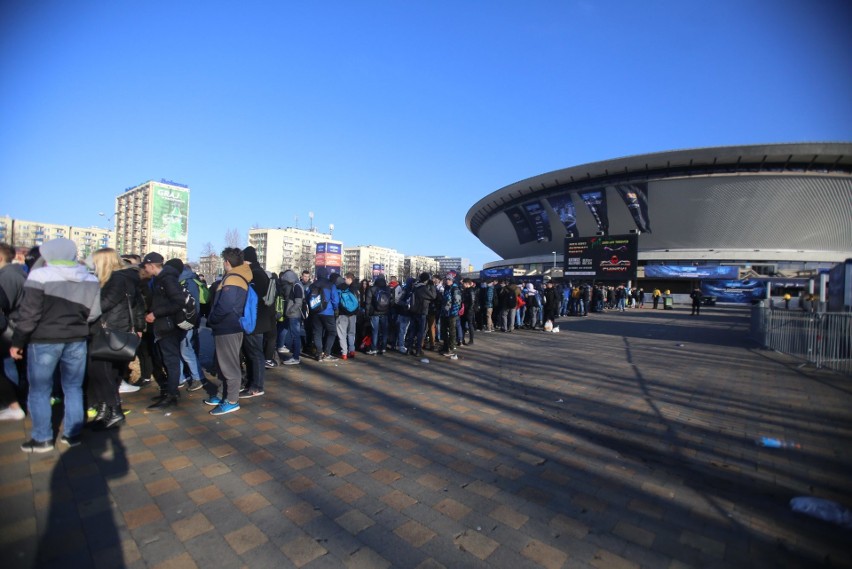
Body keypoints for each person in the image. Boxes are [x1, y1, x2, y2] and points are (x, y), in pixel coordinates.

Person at [10, 238, 100, 451]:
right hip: (77, 338)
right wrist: (76, 323)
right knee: (74, 388)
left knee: (40, 389)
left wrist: (18, 341)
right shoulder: (90, 278)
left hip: (44, 340)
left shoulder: (40, 275)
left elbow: (29, 313)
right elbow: (94, 313)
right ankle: (73, 434)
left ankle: (42, 438)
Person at [87, 248, 145, 429]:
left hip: (110, 332)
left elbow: (103, 304)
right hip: (115, 330)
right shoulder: (124, 278)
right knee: (105, 374)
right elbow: (138, 305)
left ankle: (114, 411)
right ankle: (105, 410)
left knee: (102, 373)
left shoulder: (117, 280)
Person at [205, 248, 253, 415]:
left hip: (227, 326)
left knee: (229, 365)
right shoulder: (237, 277)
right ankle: (221, 394)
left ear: (227, 262)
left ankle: (232, 400)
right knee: (222, 364)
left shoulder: (233, 279)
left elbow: (225, 305)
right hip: (229, 326)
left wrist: (212, 319)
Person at [141, 252, 187, 411]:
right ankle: (170, 391)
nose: (144, 269)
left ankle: (172, 395)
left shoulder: (167, 279)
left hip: (168, 327)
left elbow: (179, 301)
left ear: (152, 265)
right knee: (166, 360)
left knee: (170, 361)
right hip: (163, 326)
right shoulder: (160, 279)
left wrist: (156, 313)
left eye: (145, 266)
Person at [0, 242, 27, 421]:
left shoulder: (7, 277)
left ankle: (13, 402)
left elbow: (3, 305)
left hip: (10, 329)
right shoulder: (18, 273)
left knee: (8, 365)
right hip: (18, 326)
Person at [240, 246, 271, 396]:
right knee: (252, 353)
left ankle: (257, 386)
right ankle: (251, 381)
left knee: (255, 353)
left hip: (255, 321)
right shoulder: (259, 273)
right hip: (257, 320)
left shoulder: (255, 275)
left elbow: (251, 300)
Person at [309, 272, 340, 361]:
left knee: (317, 333)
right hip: (328, 312)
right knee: (332, 332)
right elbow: (335, 300)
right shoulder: (331, 285)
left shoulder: (313, 285)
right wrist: (335, 309)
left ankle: (319, 354)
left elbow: (308, 297)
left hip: (315, 312)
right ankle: (327, 353)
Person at [279, 269, 305, 365]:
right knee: (295, 335)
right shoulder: (298, 285)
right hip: (294, 314)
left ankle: (295, 357)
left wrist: (289, 310)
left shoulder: (296, 286)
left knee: (295, 336)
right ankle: (295, 356)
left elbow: (298, 302)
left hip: (294, 315)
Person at [409, 272, 436, 356]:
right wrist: (432, 286)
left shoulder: (415, 287)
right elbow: (433, 296)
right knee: (420, 332)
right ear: (427, 280)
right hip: (422, 311)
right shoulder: (423, 288)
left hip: (413, 311)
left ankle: (409, 349)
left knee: (412, 331)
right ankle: (418, 350)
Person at [336, 272, 359, 360]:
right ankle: (352, 350)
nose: (344, 280)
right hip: (353, 314)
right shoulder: (356, 288)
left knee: (342, 334)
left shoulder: (341, 288)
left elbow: (337, 301)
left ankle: (344, 353)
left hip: (343, 314)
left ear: (349, 279)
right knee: (351, 333)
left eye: (345, 278)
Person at [366, 276, 391, 355]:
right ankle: (383, 348)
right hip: (385, 313)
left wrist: (367, 313)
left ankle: (374, 349)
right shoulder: (387, 289)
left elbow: (368, 302)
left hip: (374, 313)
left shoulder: (372, 289)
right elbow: (391, 301)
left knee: (375, 331)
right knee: (384, 331)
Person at [440, 275, 462, 359]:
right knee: (444, 330)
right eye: (446, 279)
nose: (447, 280)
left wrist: (453, 313)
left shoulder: (455, 289)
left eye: (449, 279)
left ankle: (451, 349)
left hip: (451, 314)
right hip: (445, 313)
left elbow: (457, 302)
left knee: (452, 331)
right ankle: (445, 347)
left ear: (452, 280)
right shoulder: (447, 288)